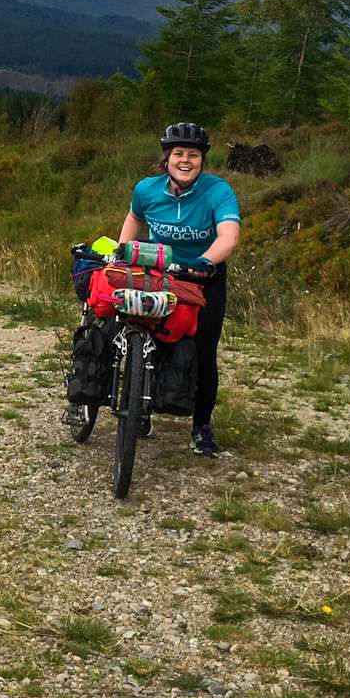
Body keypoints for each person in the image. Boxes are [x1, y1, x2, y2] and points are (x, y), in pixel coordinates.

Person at [118, 121, 240, 457]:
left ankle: (201, 426)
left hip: (204, 278)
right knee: (146, 339)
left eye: (193, 155)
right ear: (167, 158)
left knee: (203, 351)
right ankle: (139, 408)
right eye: (178, 154)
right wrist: (122, 252)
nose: (185, 161)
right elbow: (134, 218)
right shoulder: (146, 189)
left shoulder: (218, 191)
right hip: (160, 274)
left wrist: (205, 262)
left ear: (203, 160)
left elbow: (228, 236)